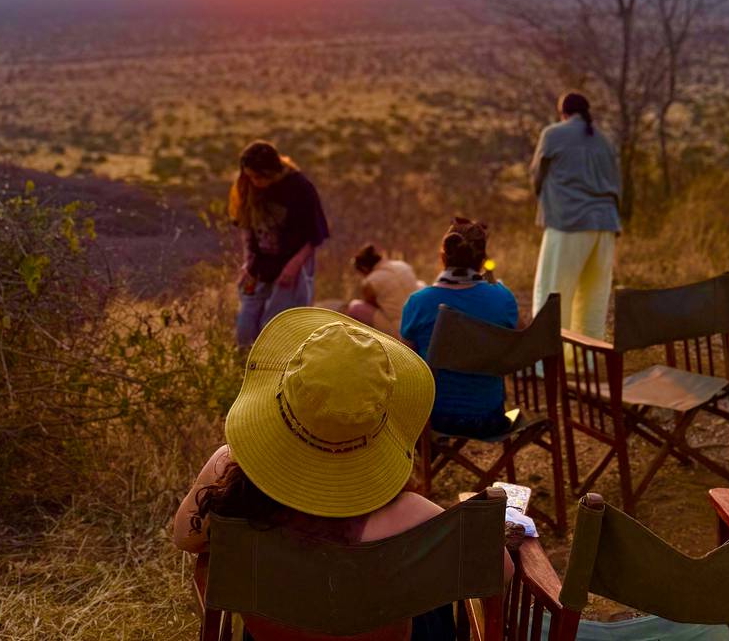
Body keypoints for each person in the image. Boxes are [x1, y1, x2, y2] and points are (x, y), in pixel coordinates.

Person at [172, 307, 512, 641]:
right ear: (383, 417)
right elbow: (500, 571)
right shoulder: (412, 517)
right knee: (428, 604)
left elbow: (186, 539)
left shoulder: (229, 473)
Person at [400, 219, 518, 438]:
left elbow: (406, 362)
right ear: (483, 260)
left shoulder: (419, 302)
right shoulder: (503, 298)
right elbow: (515, 341)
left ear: (443, 256)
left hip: (435, 420)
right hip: (491, 419)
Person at [529, 92, 621, 343]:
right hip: (606, 225)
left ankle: (545, 363)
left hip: (568, 222)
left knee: (552, 295)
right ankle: (585, 364)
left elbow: (537, 177)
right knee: (593, 300)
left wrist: (548, 204)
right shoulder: (605, 140)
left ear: (563, 113)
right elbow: (616, 183)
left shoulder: (553, 134)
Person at [230, 140, 329, 348]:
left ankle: (274, 368)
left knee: (279, 321)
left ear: (271, 172)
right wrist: (248, 261)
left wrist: (293, 266)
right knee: (247, 317)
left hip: (294, 259)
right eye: (250, 176)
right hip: (261, 260)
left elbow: (313, 234)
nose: (254, 182)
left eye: (258, 177)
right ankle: (243, 363)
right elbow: (245, 225)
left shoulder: (300, 188)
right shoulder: (246, 186)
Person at [346, 244, 422, 338]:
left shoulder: (370, 282)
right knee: (419, 284)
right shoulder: (403, 265)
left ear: (364, 268)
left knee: (355, 307)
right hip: (418, 323)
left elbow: (373, 306)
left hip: (399, 330)